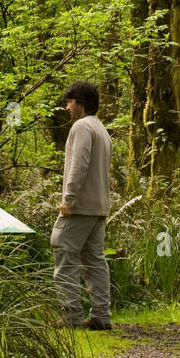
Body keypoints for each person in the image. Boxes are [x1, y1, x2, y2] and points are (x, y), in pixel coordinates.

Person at [50, 80, 113, 330]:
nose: (67, 107)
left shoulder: (82, 127)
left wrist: (68, 198)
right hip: (99, 207)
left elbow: (79, 164)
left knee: (63, 249)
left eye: (70, 102)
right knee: (94, 260)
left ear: (81, 104)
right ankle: (100, 315)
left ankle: (71, 315)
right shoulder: (101, 129)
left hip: (81, 206)